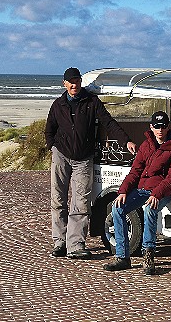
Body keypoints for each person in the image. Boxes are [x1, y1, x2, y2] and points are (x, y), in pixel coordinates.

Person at [46, 67, 136, 260]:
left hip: (84, 158)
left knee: (81, 201)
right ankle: (59, 241)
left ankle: (76, 244)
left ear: (80, 82)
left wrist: (125, 140)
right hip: (61, 154)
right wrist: (52, 147)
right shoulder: (58, 104)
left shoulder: (91, 102)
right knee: (58, 198)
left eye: (76, 81)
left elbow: (108, 123)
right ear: (64, 84)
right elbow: (49, 129)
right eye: (70, 82)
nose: (74, 85)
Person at [104, 111, 171, 275]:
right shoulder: (146, 145)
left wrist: (157, 193)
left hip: (163, 190)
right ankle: (122, 257)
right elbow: (135, 171)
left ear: (168, 127)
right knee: (117, 207)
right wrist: (123, 191)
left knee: (150, 209)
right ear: (151, 127)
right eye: (156, 126)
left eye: (163, 126)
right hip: (142, 189)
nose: (160, 130)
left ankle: (148, 255)